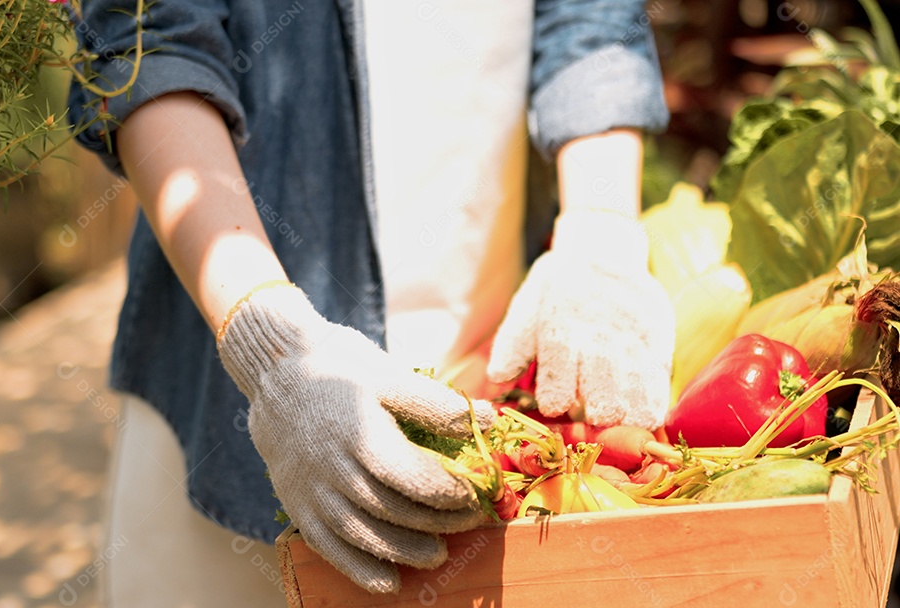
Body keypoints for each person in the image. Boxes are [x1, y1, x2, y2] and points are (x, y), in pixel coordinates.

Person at [66, 1, 674, 606]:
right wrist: (269, 344)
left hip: (479, 356)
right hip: (230, 388)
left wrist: (600, 224)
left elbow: (590, 22)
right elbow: (150, 49)